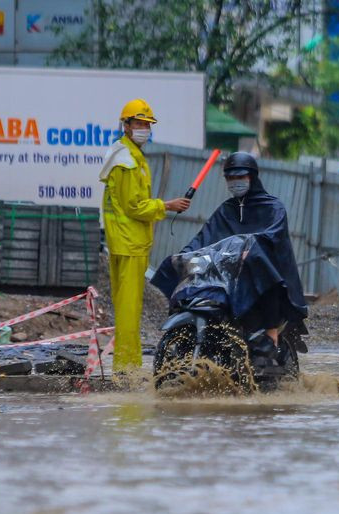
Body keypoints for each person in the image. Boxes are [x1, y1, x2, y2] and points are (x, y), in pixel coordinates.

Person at [151, 151, 307, 358]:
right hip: (229, 273)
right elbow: (204, 237)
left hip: (264, 270)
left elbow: (272, 235)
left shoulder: (273, 207)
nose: (235, 182)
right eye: (230, 178)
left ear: (252, 177)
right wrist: (186, 255)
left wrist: (250, 247)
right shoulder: (226, 210)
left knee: (260, 262)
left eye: (240, 177)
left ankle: (271, 335)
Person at [98, 99, 190, 371]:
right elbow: (134, 206)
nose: (144, 128)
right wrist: (167, 205)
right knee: (128, 314)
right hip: (129, 243)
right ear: (125, 126)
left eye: (147, 124)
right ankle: (126, 372)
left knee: (129, 311)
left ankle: (128, 368)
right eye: (138, 123)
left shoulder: (129, 154)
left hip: (126, 242)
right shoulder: (126, 161)